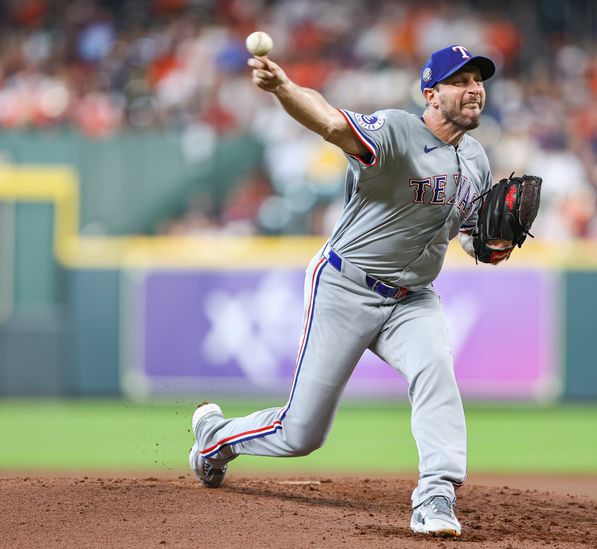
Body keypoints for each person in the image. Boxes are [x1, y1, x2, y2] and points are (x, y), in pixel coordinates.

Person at [189, 44, 502, 537]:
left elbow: (466, 233)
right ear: (431, 94)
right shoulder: (399, 132)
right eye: (460, 81)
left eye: (478, 81)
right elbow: (332, 124)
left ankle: (437, 494)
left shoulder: (479, 160)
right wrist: (285, 89)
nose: (474, 90)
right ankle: (215, 439)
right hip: (346, 287)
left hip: (412, 299)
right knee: (302, 433)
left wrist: (489, 244)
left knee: (435, 368)